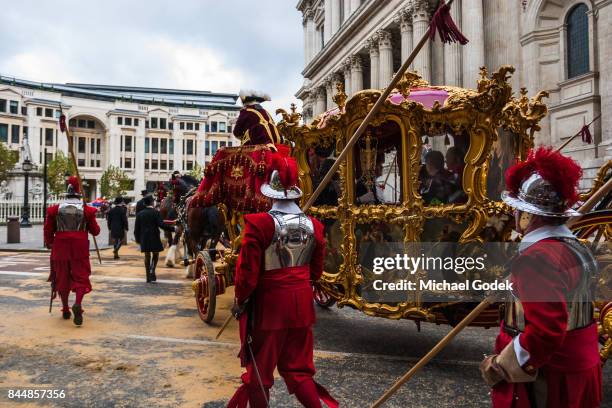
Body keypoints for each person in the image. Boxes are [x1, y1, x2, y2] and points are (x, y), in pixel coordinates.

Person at [479, 147, 602, 408]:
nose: (514, 215)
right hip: (577, 366)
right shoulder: (574, 245)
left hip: (547, 377)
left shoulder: (537, 260)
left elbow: (547, 331)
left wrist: (506, 364)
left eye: (517, 209)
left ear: (529, 214)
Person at [228, 156, 337, 408]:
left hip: (269, 306)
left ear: (270, 194)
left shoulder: (260, 224)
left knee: (259, 370)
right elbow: (316, 271)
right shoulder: (314, 226)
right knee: (298, 369)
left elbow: (247, 272)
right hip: (301, 303)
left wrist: (241, 300)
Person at [44, 176, 100, 326]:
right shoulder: (86, 209)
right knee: (81, 277)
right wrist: (88, 221)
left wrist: (50, 242)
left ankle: (65, 308)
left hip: (60, 247)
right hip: (80, 248)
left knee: (62, 277)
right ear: (79, 192)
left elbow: (48, 229)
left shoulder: (55, 209)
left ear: (67, 192)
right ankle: (78, 303)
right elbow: (96, 231)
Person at [134, 195, 175, 283]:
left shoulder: (140, 214)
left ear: (145, 203)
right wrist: (173, 229)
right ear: (152, 203)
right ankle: (153, 269)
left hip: (144, 238)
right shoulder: (156, 212)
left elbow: (136, 229)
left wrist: (138, 240)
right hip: (154, 236)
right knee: (155, 254)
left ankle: (148, 277)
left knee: (147, 256)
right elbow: (162, 225)